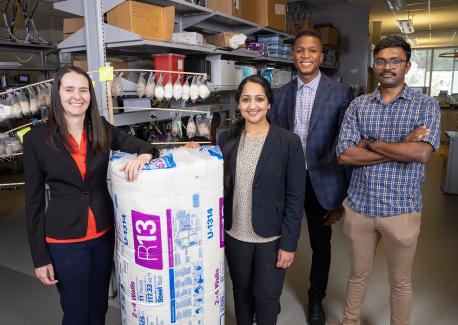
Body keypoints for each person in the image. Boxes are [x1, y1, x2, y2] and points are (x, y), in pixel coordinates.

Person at [23, 66, 159, 325]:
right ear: (57, 94)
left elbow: (143, 145)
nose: (77, 96)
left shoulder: (101, 128)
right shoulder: (36, 139)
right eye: (69, 89)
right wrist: (40, 257)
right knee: (75, 311)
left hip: (102, 234)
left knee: (98, 308)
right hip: (64, 239)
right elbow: (33, 202)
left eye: (83, 90)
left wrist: (143, 155)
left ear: (90, 95)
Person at [336, 36, 440, 325]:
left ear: (407, 66)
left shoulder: (425, 106)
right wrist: (399, 146)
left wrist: (369, 143)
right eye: (381, 60)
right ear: (374, 65)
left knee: (401, 281)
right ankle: (350, 321)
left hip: (402, 209)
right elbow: (344, 155)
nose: (387, 66)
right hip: (360, 207)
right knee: (357, 274)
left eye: (395, 60)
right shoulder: (358, 106)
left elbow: (420, 153)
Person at [270, 29, 354, 325]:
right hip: (286, 182)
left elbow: (346, 145)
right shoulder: (279, 95)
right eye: (300, 50)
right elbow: (270, 141)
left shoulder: (341, 93)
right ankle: (270, 299)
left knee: (321, 245)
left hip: (323, 183)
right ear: (293, 56)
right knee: (274, 240)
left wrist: (340, 198)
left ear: (321, 56)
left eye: (312, 51)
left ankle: (316, 298)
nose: (305, 55)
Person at [219, 75, 306, 325]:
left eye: (259, 99)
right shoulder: (227, 139)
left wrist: (288, 244)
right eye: (246, 99)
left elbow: (295, 197)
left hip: (271, 237)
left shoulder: (288, 142)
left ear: (269, 104)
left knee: (267, 299)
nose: (252, 105)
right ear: (239, 104)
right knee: (241, 292)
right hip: (236, 235)